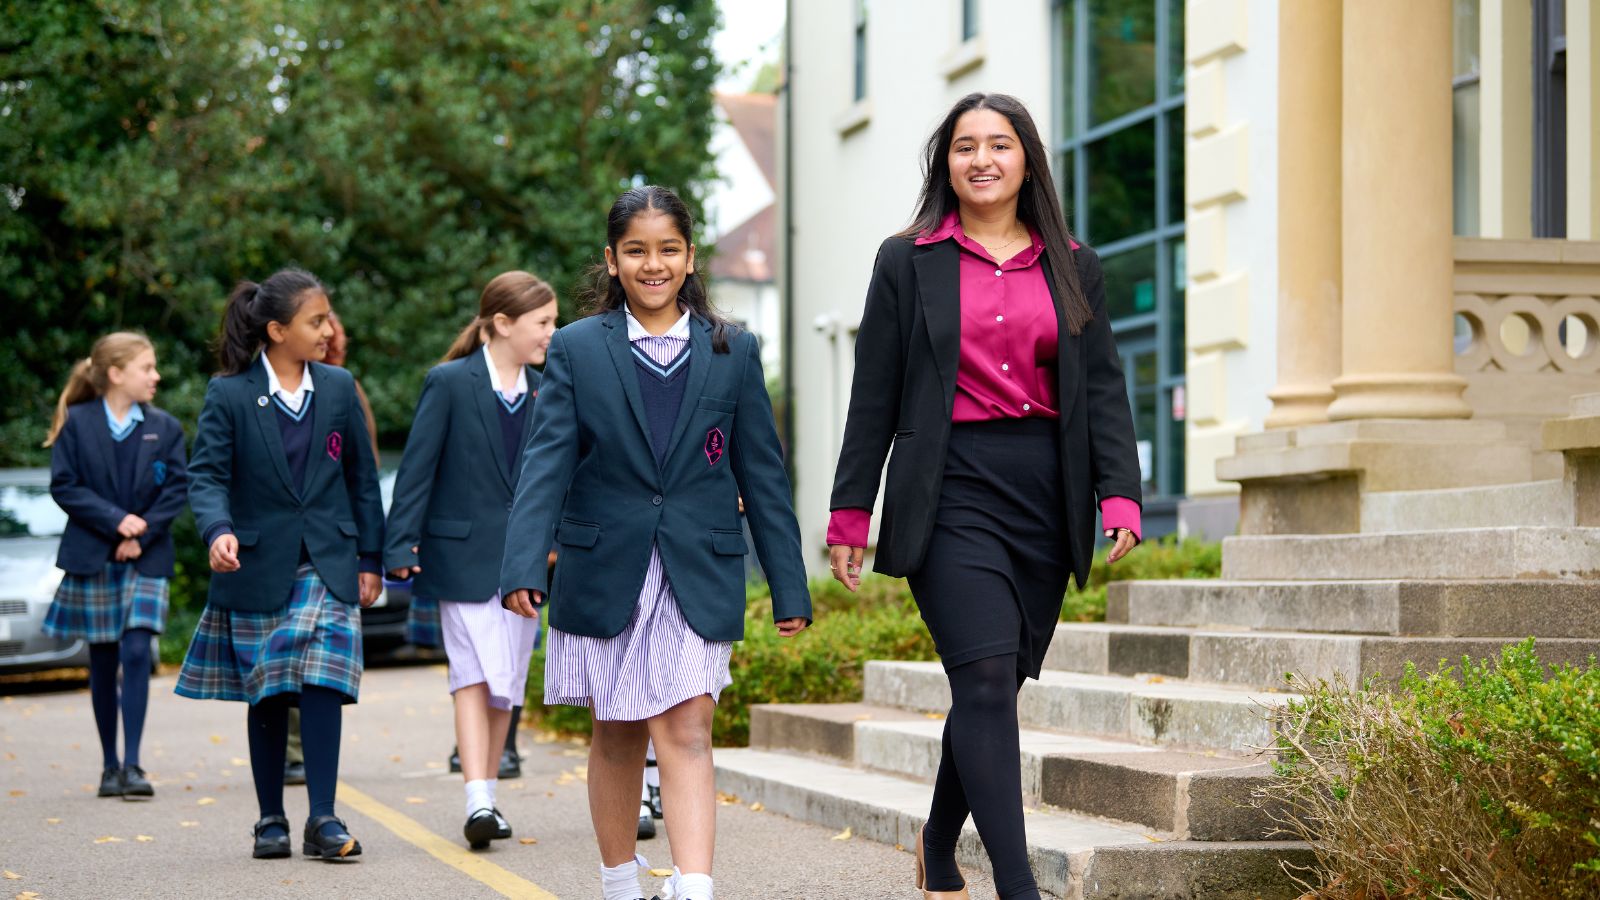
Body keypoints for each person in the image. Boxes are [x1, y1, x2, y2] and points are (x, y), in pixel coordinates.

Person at [826, 93, 1143, 900]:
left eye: (999, 144)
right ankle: (1019, 886)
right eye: (964, 146)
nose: (982, 159)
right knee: (987, 680)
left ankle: (939, 841)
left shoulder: (1074, 263)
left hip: (1046, 491)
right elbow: (874, 394)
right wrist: (850, 515)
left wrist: (1122, 495)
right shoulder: (907, 260)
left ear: (1026, 159)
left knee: (988, 685)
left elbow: (1103, 387)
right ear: (947, 165)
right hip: (950, 487)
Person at [500, 185, 811, 900]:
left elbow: (762, 474)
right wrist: (523, 563)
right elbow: (544, 464)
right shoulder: (577, 349)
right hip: (607, 566)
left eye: (668, 249)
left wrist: (789, 585)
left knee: (689, 725)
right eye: (636, 251)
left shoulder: (734, 350)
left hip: (697, 568)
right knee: (616, 731)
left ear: (690, 256)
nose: (653, 264)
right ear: (612, 261)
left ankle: (695, 887)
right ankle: (619, 884)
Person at [175, 268, 385, 861]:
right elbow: (208, 475)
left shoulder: (340, 388)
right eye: (316, 321)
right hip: (258, 567)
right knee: (267, 692)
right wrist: (217, 530)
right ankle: (271, 819)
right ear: (276, 330)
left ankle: (323, 817)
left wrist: (371, 557)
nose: (328, 330)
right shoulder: (231, 393)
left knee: (323, 682)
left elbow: (361, 481)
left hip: (330, 563)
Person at [384, 270, 558, 849]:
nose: (552, 334)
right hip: (459, 556)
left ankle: (490, 793)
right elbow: (417, 468)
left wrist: (556, 538)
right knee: (471, 676)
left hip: (523, 563)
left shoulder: (547, 388)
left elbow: (561, 471)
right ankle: (477, 799)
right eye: (543, 323)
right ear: (503, 324)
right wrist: (400, 543)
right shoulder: (450, 382)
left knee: (505, 683)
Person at [42, 332, 188, 800]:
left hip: (146, 557)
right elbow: (65, 486)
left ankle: (134, 764)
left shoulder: (165, 428)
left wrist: (140, 532)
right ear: (116, 373)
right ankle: (109, 766)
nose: (156, 376)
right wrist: (116, 525)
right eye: (147, 367)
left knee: (138, 650)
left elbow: (177, 490)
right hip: (96, 555)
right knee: (104, 658)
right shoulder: (78, 423)